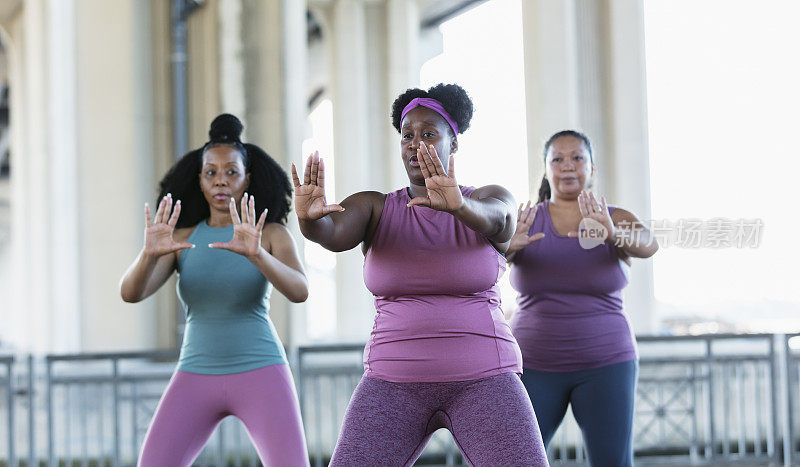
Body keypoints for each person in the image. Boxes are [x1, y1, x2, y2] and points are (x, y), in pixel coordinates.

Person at [293, 83, 548, 466]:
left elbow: (502, 221)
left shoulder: (488, 198)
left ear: (454, 142)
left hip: (485, 378)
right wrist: (308, 221)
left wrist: (459, 206)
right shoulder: (375, 208)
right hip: (392, 383)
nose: (415, 143)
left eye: (428, 133)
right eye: (406, 135)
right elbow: (331, 234)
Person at [119, 114, 310, 466]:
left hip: (262, 369)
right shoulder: (180, 238)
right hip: (195, 370)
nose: (221, 181)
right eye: (211, 172)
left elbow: (300, 291)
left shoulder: (270, 234)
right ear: (201, 180)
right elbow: (131, 293)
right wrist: (148, 255)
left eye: (231, 172)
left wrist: (257, 255)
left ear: (246, 179)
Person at [507, 130, 659, 466]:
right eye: (557, 159)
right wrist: (507, 248)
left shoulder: (613, 216)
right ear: (546, 169)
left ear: (592, 167)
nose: (567, 166)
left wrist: (611, 232)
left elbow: (649, 245)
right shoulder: (526, 219)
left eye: (577, 157)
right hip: (533, 365)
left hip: (607, 364)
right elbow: (482, 272)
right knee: (517, 459)